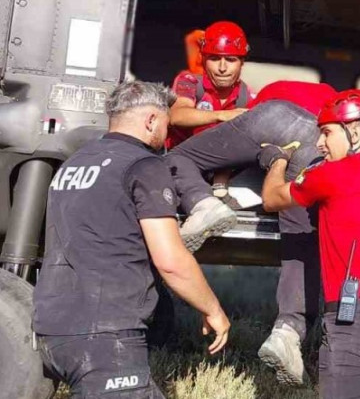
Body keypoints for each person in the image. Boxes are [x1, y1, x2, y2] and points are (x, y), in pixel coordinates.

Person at [33, 81, 231, 398]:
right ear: (151, 120)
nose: (166, 134)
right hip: (105, 334)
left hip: (52, 329)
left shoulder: (74, 163)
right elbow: (171, 261)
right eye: (166, 122)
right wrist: (213, 309)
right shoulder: (144, 165)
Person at [164, 80, 336, 385]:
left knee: (175, 159)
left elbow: (233, 150)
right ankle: (288, 332)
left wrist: (218, 188)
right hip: (316, 143)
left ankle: (203, 204)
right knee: (299, 239)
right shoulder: (332, 103)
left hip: (274, 118)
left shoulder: (266, 91)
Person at [261, 89, 360, 399]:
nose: (319, 143)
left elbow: (272, 198)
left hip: (356, 322)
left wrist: (276, 160)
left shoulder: (334, 174)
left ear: (355, 131)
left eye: (327, 132)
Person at [170, 20, 255, 250]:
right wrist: (221, 116)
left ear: (242, 62)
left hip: (221, 169)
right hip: (181, 164)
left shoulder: (247, 96)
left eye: (231, 59)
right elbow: (177, 115)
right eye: (215, 59)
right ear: (204, 60)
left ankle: (220, 188)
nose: (222, 67)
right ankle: (207, 202)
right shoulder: (189, 82)